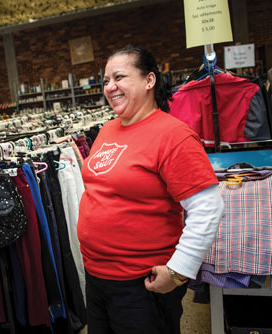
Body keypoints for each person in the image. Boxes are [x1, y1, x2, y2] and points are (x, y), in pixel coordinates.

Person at [77, 46, 224, 334]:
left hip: (141, 285)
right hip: (97, 278)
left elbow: (207, 207)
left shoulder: (173, 136)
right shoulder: (107, 130)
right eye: (106, 80)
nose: (110, 87)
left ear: (149, 81)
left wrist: (179, 270)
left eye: (119, 77)